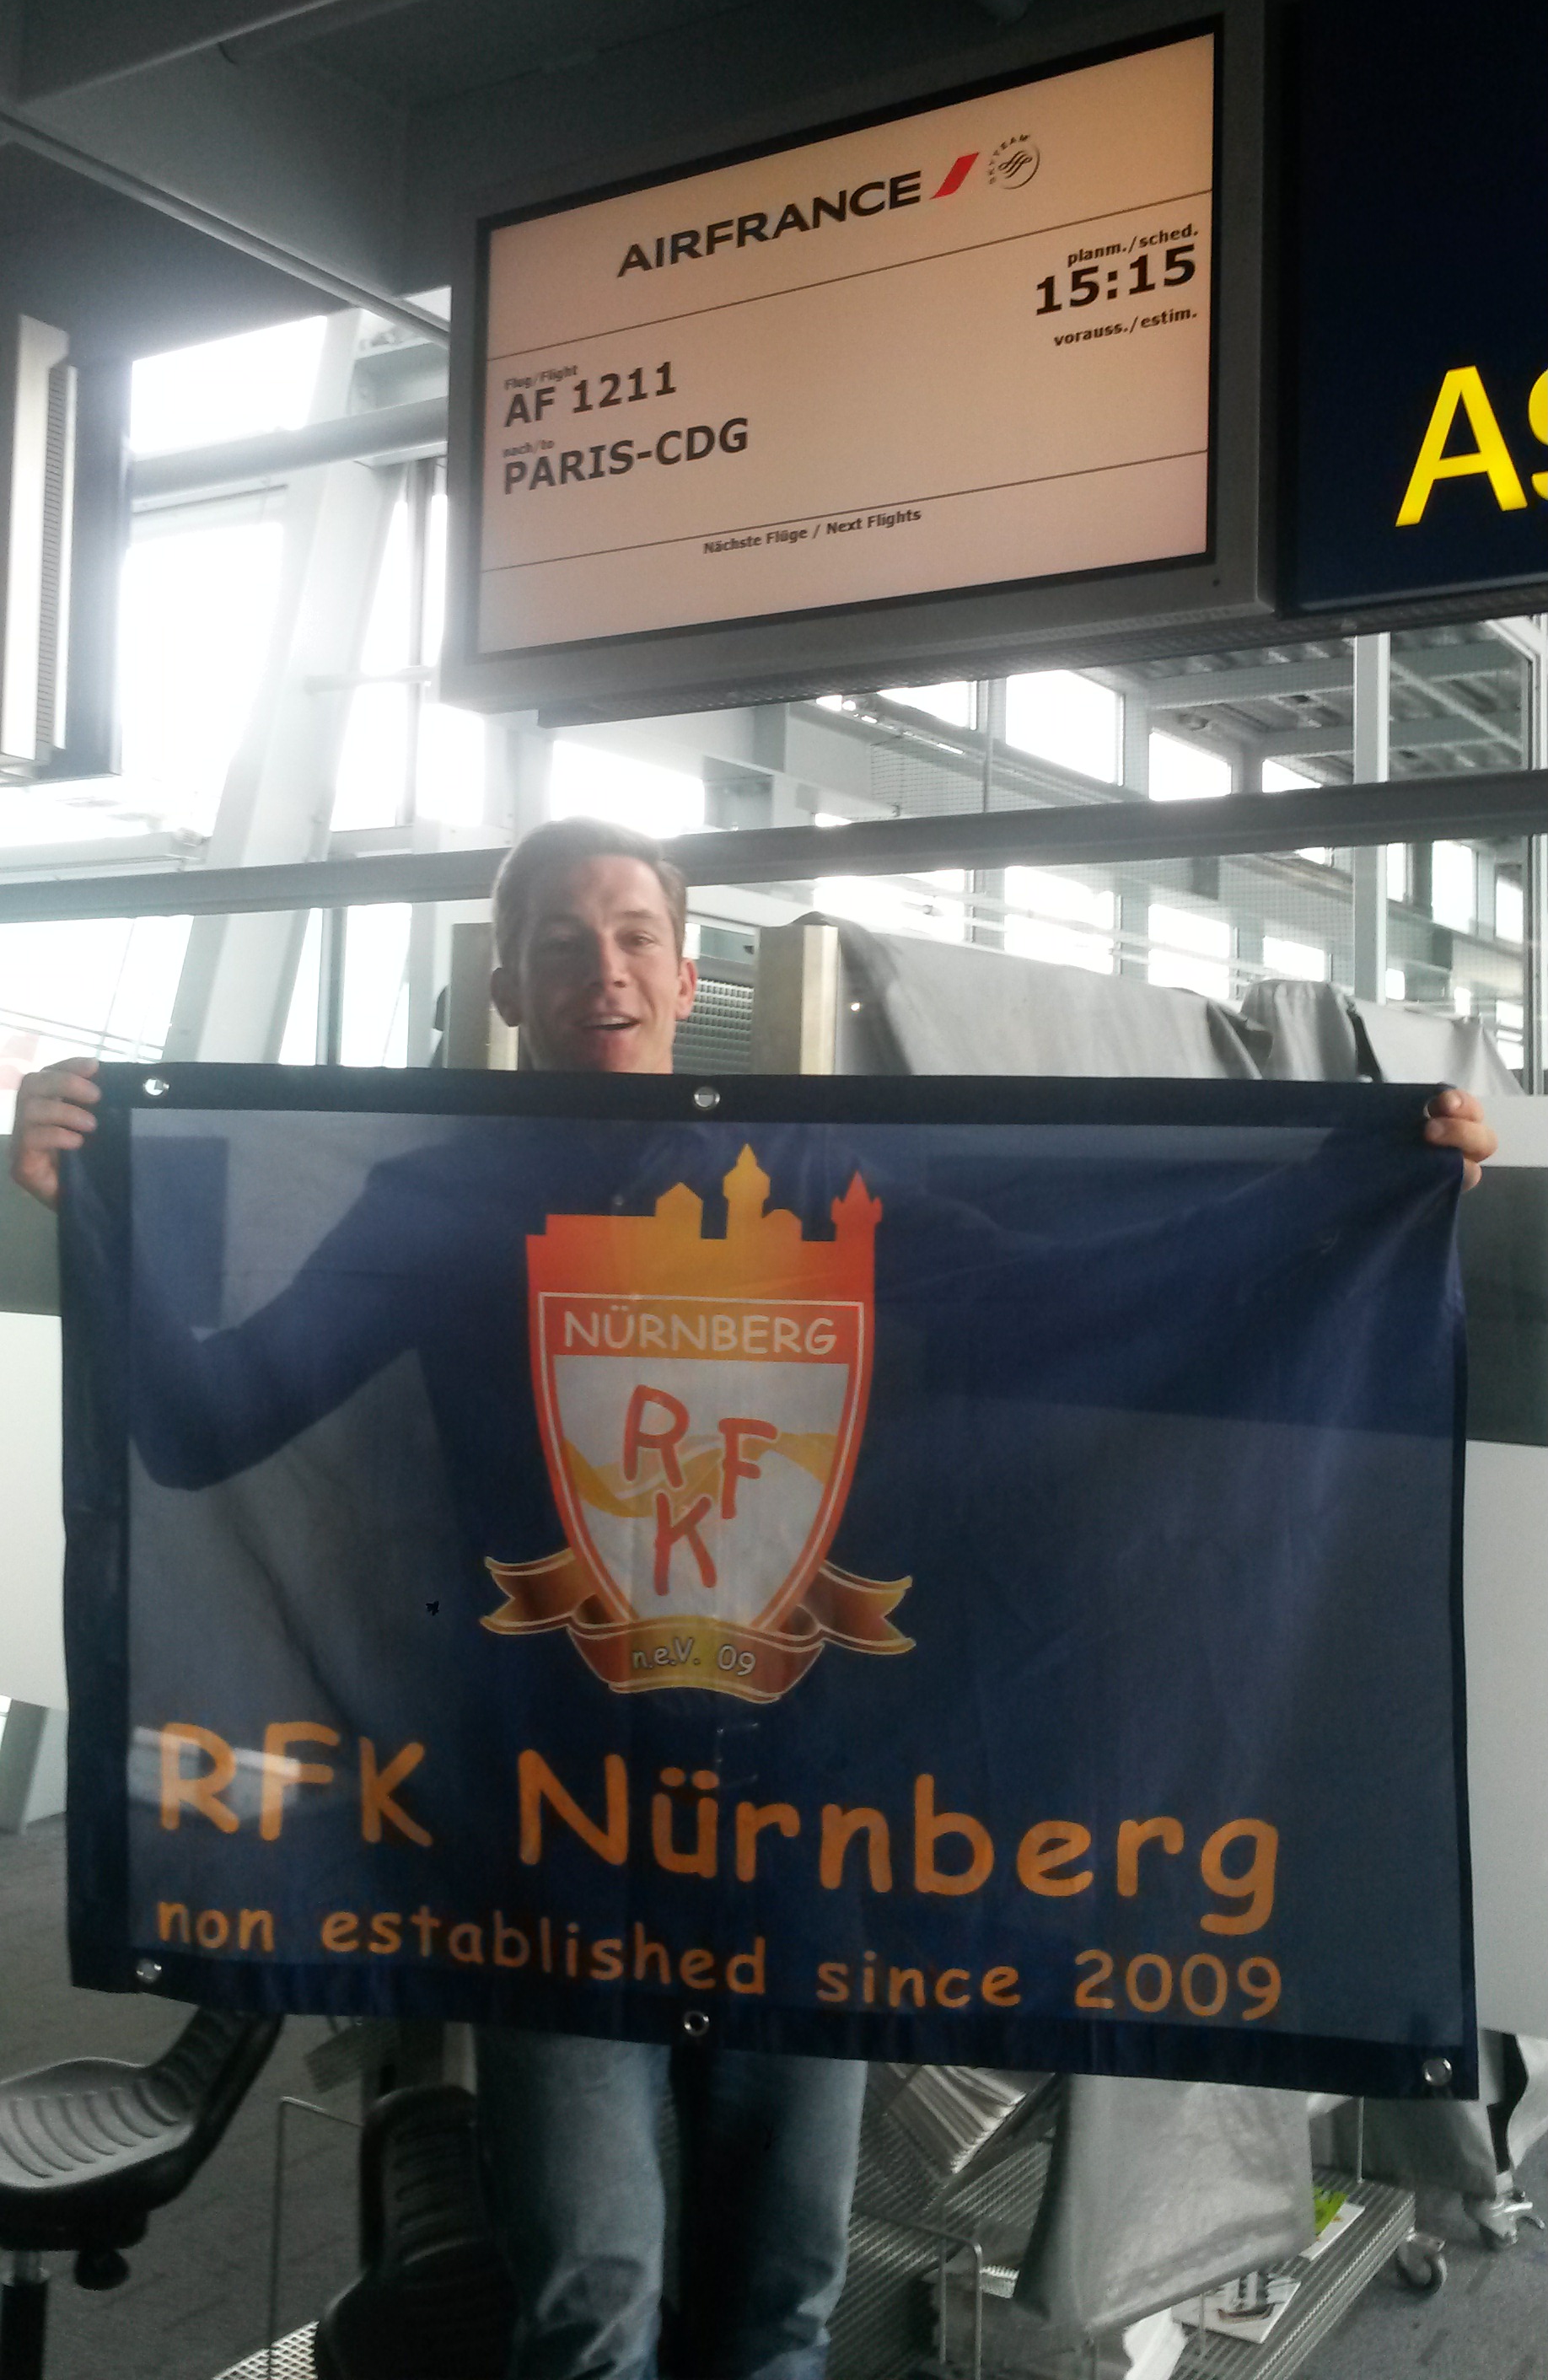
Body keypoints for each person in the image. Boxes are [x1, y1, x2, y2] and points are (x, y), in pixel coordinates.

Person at [10, 816, 1501, 2380]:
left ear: (685, 973)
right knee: (588, 2303)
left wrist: (1354, 1193)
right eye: (562, 943)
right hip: (552, 1837)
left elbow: (1079, 1295)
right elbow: (206, 1426)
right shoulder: (434, 1198)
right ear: (508, 986)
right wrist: (93, 1212)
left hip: (801, 1826)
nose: (604, 970)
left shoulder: (821, 1180)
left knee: (781, 2297)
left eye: (634, 936)